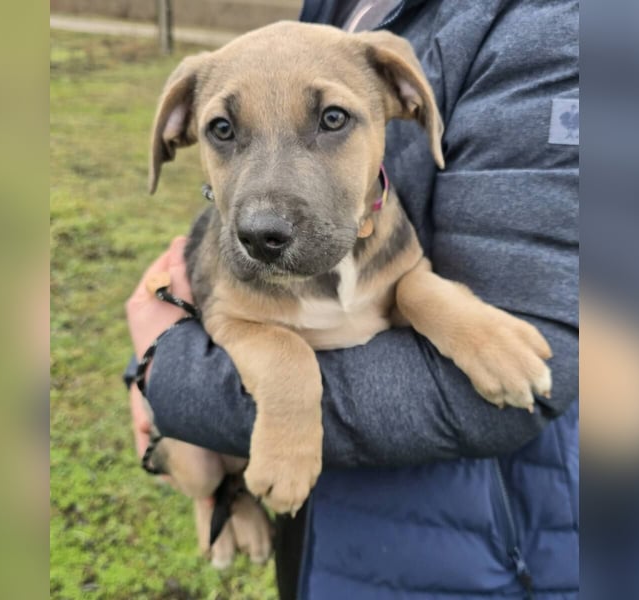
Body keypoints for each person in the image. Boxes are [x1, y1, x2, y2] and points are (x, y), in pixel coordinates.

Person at [125, 0, 579, 598]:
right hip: (302, 520)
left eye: (332, 121)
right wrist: (278, 394)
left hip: (476, 543)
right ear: (181, 130)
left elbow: (409, 278)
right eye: (225, 131)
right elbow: (230, 318)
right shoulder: (334, 8)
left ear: (405, 100)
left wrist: (164, 372)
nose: (262, 215)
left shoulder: (550, 25)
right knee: (195, 461)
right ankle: (216, 500)